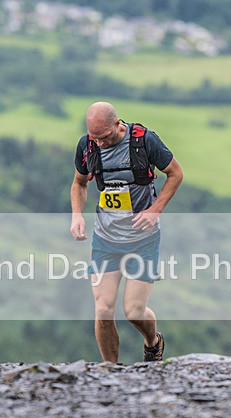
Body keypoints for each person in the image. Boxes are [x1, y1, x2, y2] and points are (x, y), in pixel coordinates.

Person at [70, 102, 183, 364]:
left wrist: (155, 210)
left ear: (118, 124)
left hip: (143, 239)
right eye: (94, 138)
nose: (100, 143)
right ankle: (111, 370)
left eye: (105, 137)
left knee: (133, 311)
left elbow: (175, 173)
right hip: (106, 240)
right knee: (104, 310)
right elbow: (78, 183)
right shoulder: (87, 146)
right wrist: (76, 215)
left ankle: (153, 343)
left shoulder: (144, 141)